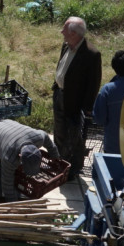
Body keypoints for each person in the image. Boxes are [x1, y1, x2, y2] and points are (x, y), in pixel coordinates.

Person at [53, 17, 101, 180]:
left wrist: (87, 108)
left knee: (75, 136)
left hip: (75, 102)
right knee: (59, 131)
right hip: (59, 94)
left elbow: (93, 83)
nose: (61, 32)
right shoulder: (66, 46)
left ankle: (73, 169)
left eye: (64, 29)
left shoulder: (91, 54)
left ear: (73, 33)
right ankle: (60, 162)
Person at [0, 119, 59, 201]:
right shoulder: (9, 158)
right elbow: (7, 185)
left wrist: (56, 159)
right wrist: (13, 206)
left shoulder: (39, 138)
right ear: (20, 156)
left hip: (8, 126)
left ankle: (16, 196)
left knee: (16, 177)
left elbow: (51, 145)